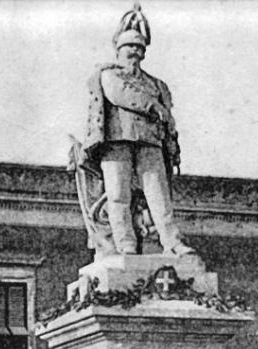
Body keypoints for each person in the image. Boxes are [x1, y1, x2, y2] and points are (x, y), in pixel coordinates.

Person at [82, 4, 195, 257]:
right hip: (116, 140)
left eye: (139, 47)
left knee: (159, 195)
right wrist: (152, 105)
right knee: (118, 195)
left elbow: (168, 114)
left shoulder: (156, 83)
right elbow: (119, 94)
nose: (135, 51)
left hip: (150, 141)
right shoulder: (108, 75)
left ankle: (172, 242)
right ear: (119, 49)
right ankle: (126, 244)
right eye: (130, 46)